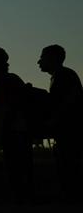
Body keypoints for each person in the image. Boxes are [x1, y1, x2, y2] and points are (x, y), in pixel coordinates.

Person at [0, 46, 33, 202]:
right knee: (23, 176)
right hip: (21, 135)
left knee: (16, 176)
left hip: (13, 136)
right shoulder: (13, 80)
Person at [37, 45, 83, 201]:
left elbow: (65, 103)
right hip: (69, 130)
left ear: (53, 59)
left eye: (42, 57)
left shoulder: (63, 75)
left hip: (70, 131)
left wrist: (53, 120)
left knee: (69, 166)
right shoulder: (63, 75)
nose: (39, 61)